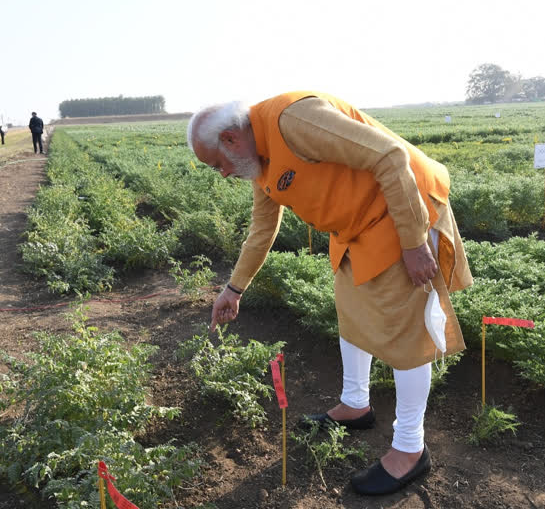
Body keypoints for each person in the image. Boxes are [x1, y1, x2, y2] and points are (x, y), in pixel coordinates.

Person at [187, 91, 473, 496]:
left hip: (401, 210)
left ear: (232, 139)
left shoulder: (296, 120)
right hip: (355, 228)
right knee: (351, 315)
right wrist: (234, 289)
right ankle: (355, 405)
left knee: (407, 335)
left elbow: (390, 156)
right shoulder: (260, 162)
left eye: (217, 163)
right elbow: (262, 229)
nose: (222, 174)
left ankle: (411, 448)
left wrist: (413, 244)